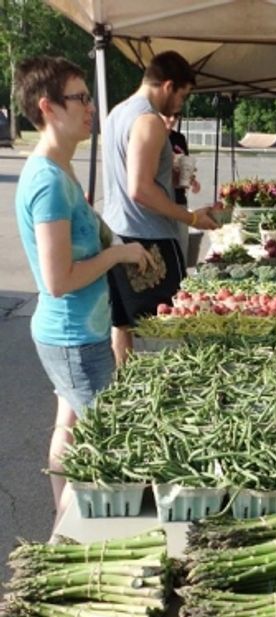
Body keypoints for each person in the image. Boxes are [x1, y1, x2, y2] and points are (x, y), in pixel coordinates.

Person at [13, 56, 153, 520]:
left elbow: (89, 232)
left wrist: (123, 245)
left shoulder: (60, 168)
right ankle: (72, 541)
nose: (91, 107)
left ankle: (59, 523)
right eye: (81, 98)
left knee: (69, 429)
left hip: (74, 334)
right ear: (48, 107)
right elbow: (57, 281)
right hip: (73, 337)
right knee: (101, 451)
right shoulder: (49, 181)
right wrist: (117, 256)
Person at [102, 50, 217, 365]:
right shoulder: (149, 121)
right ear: (168, 86)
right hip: (149, 240)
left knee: (122, 321)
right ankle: (167, 398)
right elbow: (140, 189)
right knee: (169, 324)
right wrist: (192, 216)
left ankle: (123, 388)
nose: (181, 104)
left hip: (117, 234)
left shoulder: (116, 114)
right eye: (183, 95)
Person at [161, 112, 201, 265]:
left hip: (179, 200)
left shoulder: (179, 139)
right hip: (160, 202)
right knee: (165, 250)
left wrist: (193, 181)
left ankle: (182, 282)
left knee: (182, 246)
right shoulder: (154, 138)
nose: (172, 119)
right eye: (167, 115)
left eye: (175, 116)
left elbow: (186, 168)